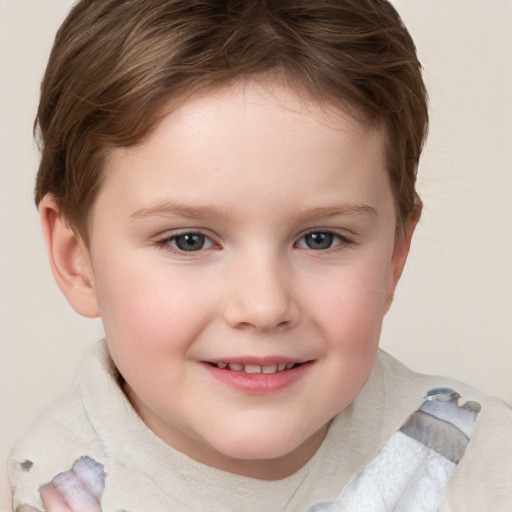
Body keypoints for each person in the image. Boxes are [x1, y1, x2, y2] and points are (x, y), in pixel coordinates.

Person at [3, 0, 511, 510]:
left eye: (321, 239)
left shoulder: (487, 470)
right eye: (189, 241)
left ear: (395, 257)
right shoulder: (40, 489)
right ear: (78, 260)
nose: (264, 306)